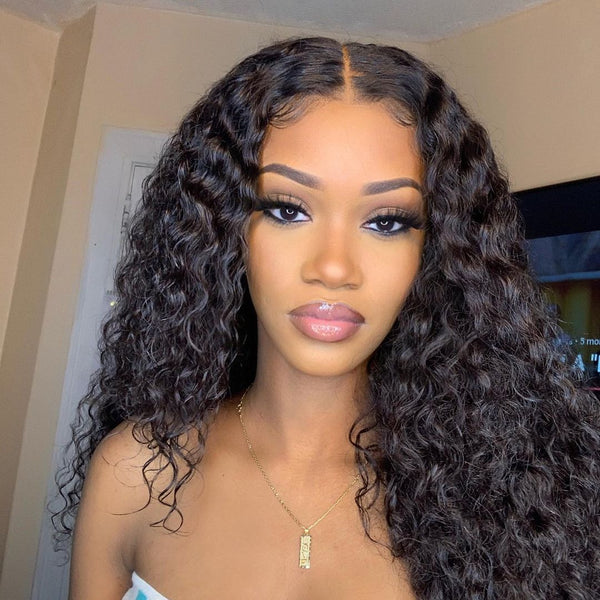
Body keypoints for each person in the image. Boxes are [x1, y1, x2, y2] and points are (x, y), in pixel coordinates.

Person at [55, 37, 600, 599]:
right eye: (288, 210)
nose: (334, 268)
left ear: (435, 251)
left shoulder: (505, 502)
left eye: (386, 222)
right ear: (224, 230)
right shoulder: (135, 473)